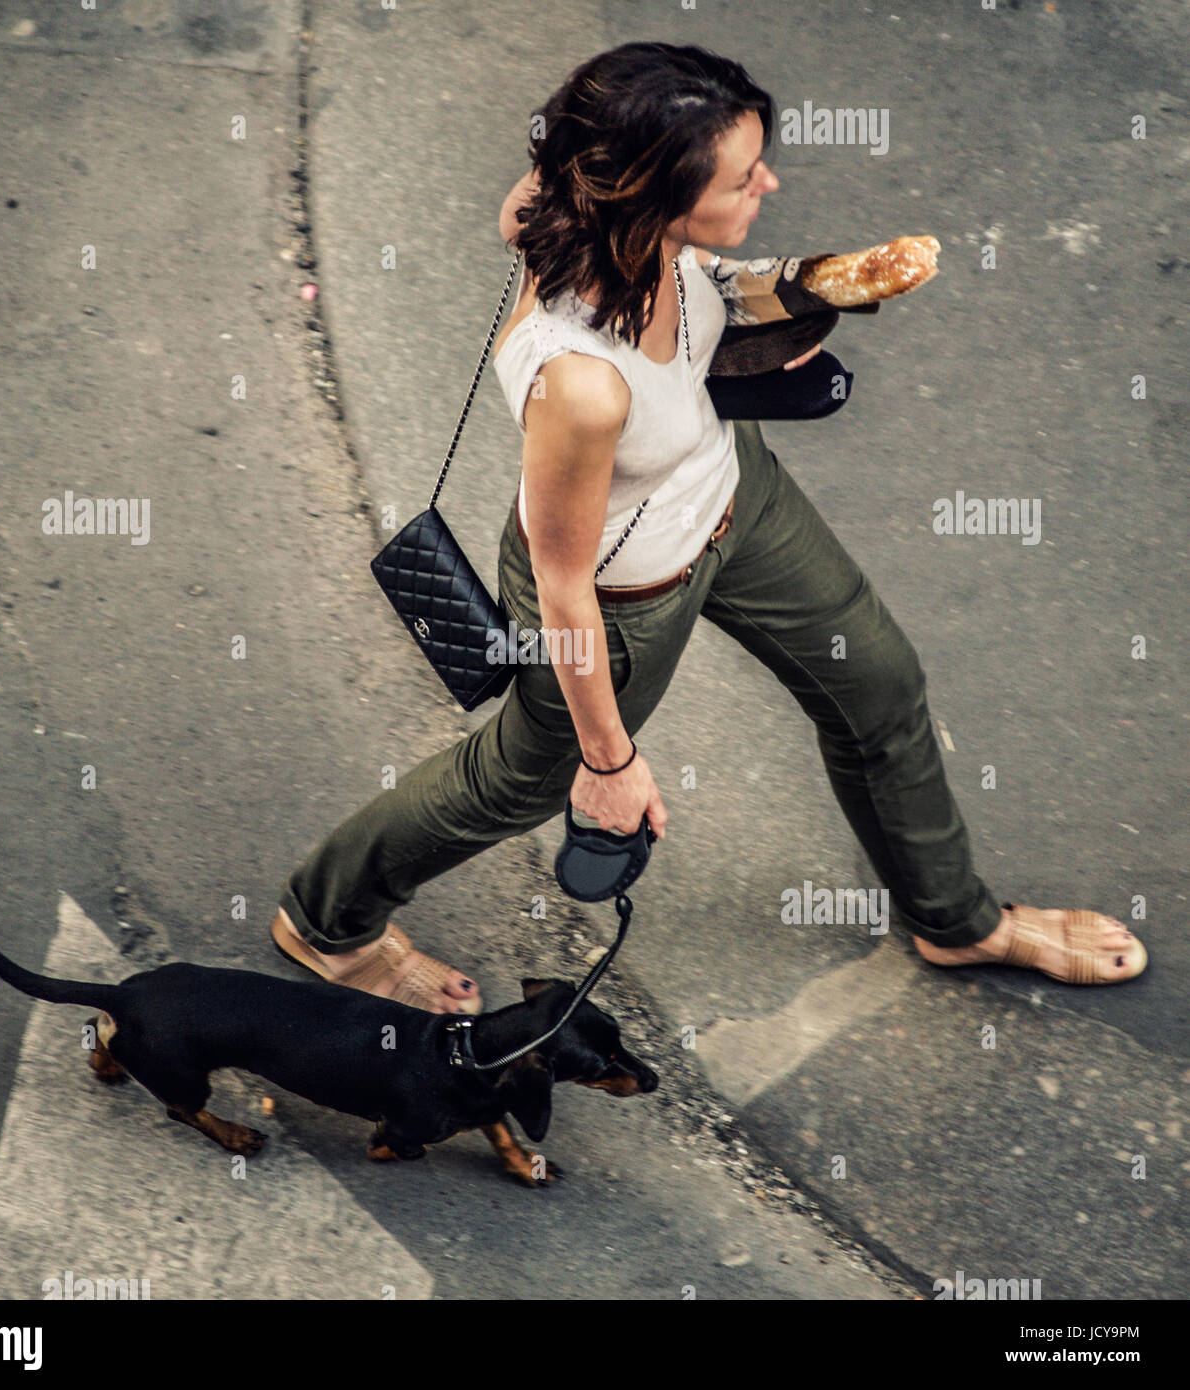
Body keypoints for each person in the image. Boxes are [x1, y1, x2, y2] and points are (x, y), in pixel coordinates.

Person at [270, 42, 1145, 1012]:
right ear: (652, 198)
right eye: (741, 178)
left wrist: (825, 280)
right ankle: (326, 920)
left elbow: (713, 296)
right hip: (623, 592)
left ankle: (957, 920)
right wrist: (609, 764)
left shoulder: (613, 217)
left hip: (737, 492)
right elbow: (562, 589)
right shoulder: (582, 385)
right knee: (518, 779)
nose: (769, 181)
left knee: (882, 685)